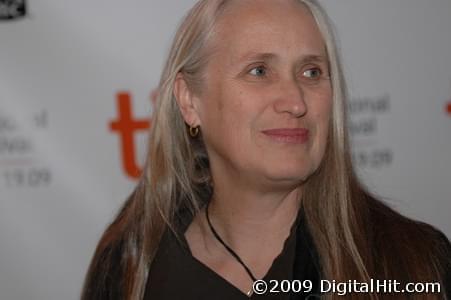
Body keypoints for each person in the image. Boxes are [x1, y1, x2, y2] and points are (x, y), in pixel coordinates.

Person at [81, 0, 451, 299]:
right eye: (259, 71)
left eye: (311, 72)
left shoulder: (409, 263)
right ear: (190, 100)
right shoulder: (129, 263)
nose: (295, 101)